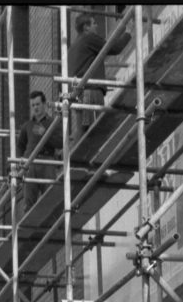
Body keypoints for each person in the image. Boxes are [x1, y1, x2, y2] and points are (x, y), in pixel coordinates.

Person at [68, 12, 131, 143]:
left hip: (79, 97)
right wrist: (129, 32)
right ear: (86, 27)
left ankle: (71, 158)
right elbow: (114, 48)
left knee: (83, 136)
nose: (97, 26)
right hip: (91, 93)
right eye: (94, 23)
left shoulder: (74, 47)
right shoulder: (88, 38)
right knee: (95, 136)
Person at [16, 90, 63, 212]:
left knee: (50, 197)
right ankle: (29, 226)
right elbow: (20, 146)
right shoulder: (28, 125)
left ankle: (51, 223)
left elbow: (60, 142)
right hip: (30, 163)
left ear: (44, 104)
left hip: (47, 161)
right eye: (33, 105)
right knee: (29, 200)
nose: (35, 108)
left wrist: (45, 134)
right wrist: (19, 162)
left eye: (37, 104)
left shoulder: (53, 122)